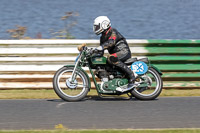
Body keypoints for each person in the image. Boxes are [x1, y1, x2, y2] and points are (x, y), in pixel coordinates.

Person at [93, 16, 135, 90]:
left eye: (97, 26)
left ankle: (131, 75)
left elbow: (111, 42)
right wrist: (93, 53)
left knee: (111, 58)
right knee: (102, 63)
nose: (96, 28)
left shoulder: (113, 31)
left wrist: (100, 47)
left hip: (123, 52)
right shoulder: (102, 37)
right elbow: (101, 52)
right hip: (115, 55)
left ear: (104, 24)